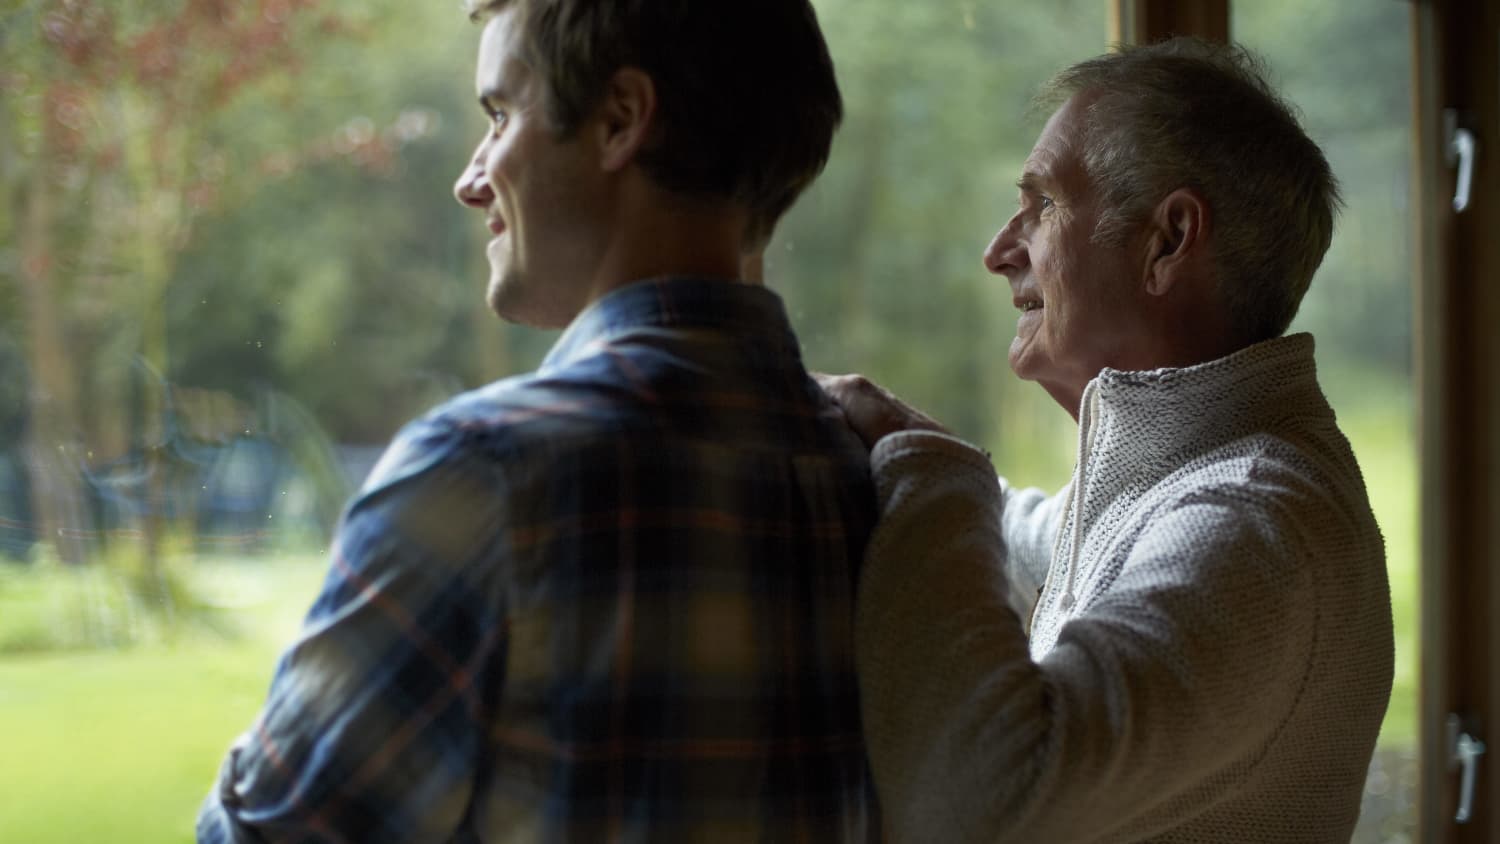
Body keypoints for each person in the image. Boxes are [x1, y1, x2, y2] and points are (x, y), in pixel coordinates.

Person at [197, 1, 879, 841]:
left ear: (620, 120)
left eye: (500, 115)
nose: (471, 177)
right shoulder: (872, 477)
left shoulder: (485, 475)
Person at [821, 37, 1394, 842]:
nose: (998, 252)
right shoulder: (1188, 484)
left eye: (1043, 204)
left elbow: (986, 803)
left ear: (1167, 241)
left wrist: (931, 474)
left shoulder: (1253, 523)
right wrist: (884, 438)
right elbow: (1022, 538)